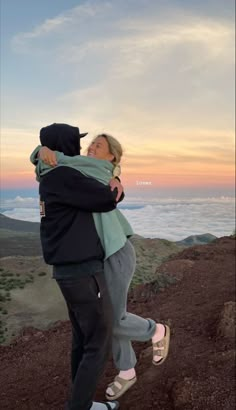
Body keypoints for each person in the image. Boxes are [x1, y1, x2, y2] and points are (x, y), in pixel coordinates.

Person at [34, 131, 171, 401]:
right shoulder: (85, 170)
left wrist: (41, 151)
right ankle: (127, 370)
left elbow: (55, 163)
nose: (91, 148)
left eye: (99, 145)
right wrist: (39, 151)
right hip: (99, 257)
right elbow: (54, 164)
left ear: (112, 156)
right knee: (113, 314)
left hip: (117, 253)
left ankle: (156, 330)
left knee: (112, 320)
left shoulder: (96, 171)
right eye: (90, 145)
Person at [30, 123, 120, 410]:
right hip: (83, 272)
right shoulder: (66, 176)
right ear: (64, 146)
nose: (81, 148)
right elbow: (106, 199)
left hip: (68, 272)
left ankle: (82, 402)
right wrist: (117, 183)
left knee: (83, 339)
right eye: (76, 143)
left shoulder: (50, 175)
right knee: (98, 342)